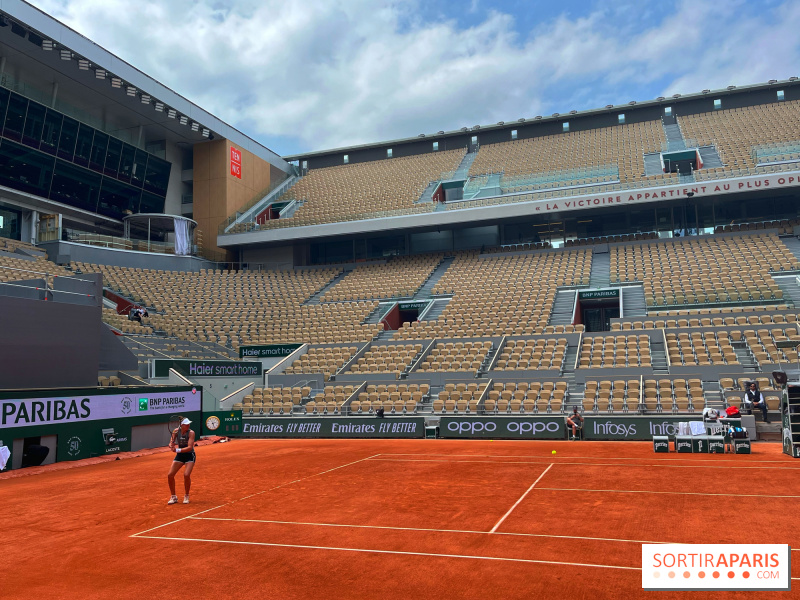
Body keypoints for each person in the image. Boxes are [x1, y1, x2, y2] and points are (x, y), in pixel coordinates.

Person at [167, 418, 196, 505]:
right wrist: (171, 445)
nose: (188, 425)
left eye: (189, 424)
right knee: (170, 475)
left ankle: (186, 495)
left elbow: (190, 447)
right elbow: (171, 442)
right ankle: (173, 497)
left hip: (190, 455)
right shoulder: (176, 431)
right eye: (186, 424)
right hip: (180, 456)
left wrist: (177, 450)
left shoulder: (191, 433)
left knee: (186, 475)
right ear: (182, 425)